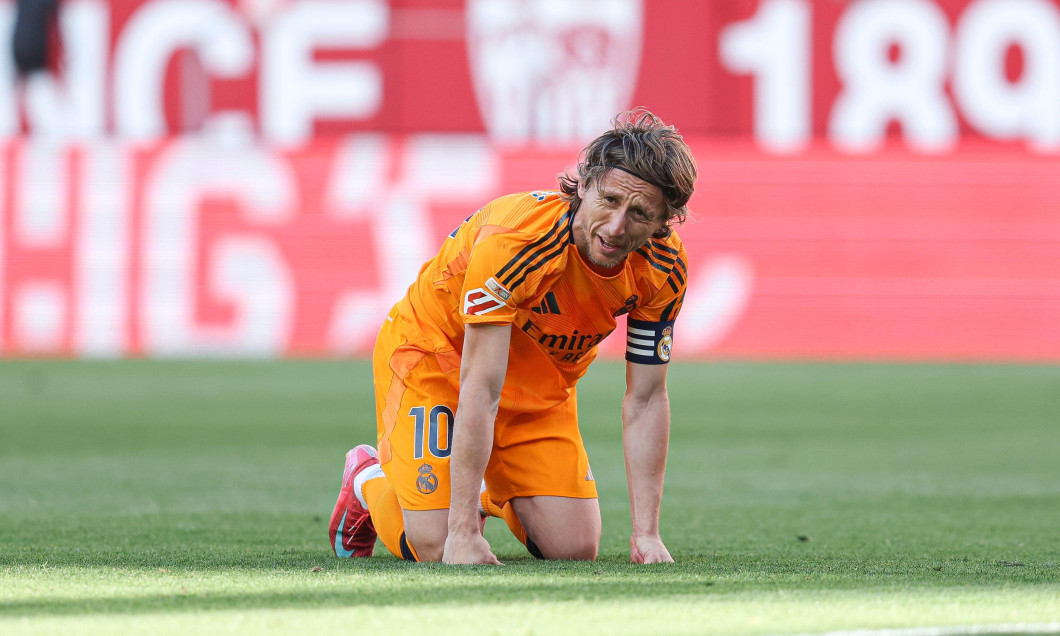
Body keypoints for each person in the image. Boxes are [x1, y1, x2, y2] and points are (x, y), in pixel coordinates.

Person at [329, 108, 697, 564]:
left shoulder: (664, 269)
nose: (616, 227)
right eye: (610, 200)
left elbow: (646, 399)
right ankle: (368, 478)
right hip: (439, 361)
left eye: (639, 213)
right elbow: (479, 388)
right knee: (438, 544)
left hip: (539, 388)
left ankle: (480, 489)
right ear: (584, 184)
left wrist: (647, 534)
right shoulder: (515, 242)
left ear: (663, 223)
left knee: (574, 549)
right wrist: (463, 533)